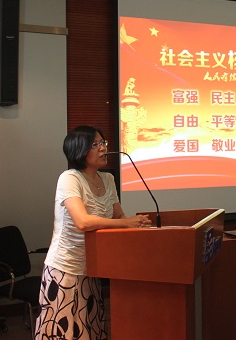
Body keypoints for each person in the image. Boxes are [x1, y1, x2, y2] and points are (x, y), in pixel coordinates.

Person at [35, 125, 151, 340]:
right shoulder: (70, 178)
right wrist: (126, 224)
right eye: (95, 144)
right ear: (79, 150)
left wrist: (136, 224)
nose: (103, 148)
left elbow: (119, 216)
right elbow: (83, 222)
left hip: (93, 266)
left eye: (103, 142)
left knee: (90, 330)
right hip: (66, 268)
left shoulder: (108, 179)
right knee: (65, 332)